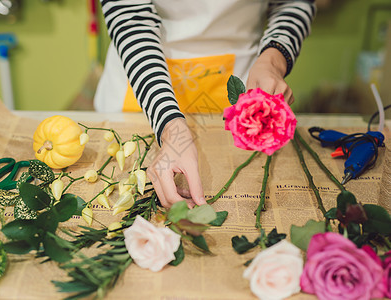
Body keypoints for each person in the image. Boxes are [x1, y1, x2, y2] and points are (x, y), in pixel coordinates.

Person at [94, 0, 316, 208]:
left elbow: (294, 3)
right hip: (144, 80)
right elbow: (130, 17)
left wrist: (273, 60)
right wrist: (169, 126)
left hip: (235, 78)